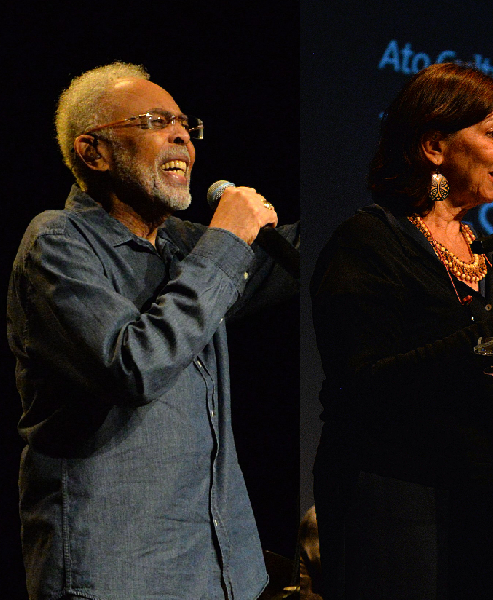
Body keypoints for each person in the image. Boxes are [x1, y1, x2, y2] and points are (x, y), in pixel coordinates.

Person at [7, 62, 303, 599]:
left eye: (185, 123)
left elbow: (311, 257)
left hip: (221, 575)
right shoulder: (56, 242)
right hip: (118, 574)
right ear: (93, 151)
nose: (181, 135)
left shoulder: (182, 245)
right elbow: (134, 365)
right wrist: (227, 240)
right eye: (154, 121)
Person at [310, 62, 493, 600]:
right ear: (434, 146)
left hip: (483, 503)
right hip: (396, 501)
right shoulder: (368, 242)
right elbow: (359, 383)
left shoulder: (487, 253)